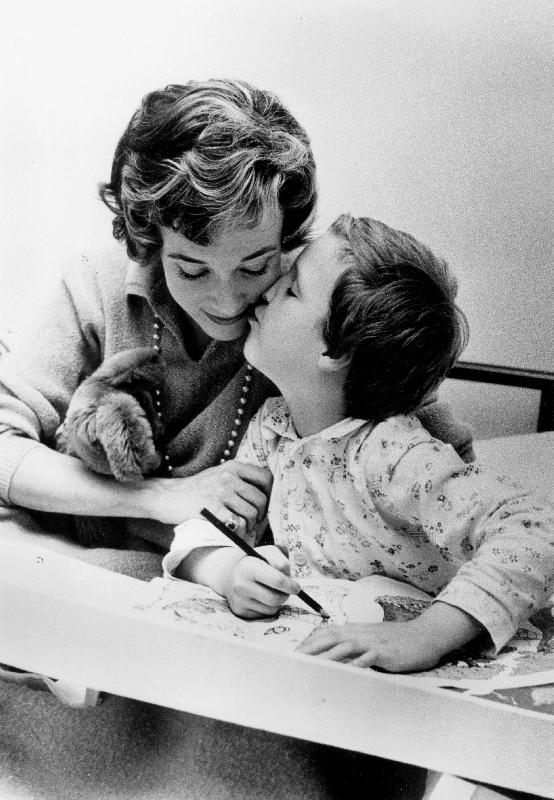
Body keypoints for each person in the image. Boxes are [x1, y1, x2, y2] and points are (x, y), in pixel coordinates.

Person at [0, 82, 436, 799]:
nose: (230, 300)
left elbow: (424, 440)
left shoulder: (313, 312)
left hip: (215, 612)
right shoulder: (98, 284)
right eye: (192, 268)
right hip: (81, 577)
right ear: (147, 241)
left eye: (257, 266)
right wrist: (164, 497)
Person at [166, 214, 554, 673]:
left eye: (291, 290)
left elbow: (536, 531)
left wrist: (425, 636)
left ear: (334, 352)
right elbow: (210, 525)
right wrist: (226, 572)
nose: (266, 291)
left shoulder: (393, 455)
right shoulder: (272, 431)